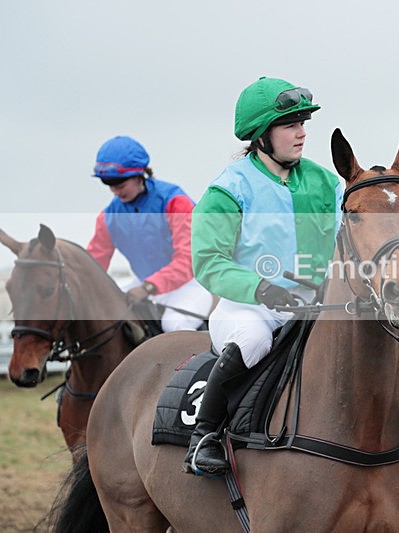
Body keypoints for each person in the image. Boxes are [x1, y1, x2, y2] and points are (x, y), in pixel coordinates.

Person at [183, 76, 343, 476]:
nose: (302, 133)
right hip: (249, 307)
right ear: (260, 136)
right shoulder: (227, 190)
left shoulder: (327, 183)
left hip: (314, 306)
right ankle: (203, 436)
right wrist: (262, 289)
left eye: (303, 123)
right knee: (253, 340)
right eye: (290, 125)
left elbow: (349, 239)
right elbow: (208, 262)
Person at [87, 135, 213, 332]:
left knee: (174, 325)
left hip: (190, 284)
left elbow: (187, 260)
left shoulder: (175, 202)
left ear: (140, 175)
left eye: (120, 184)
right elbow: (93, 265)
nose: (115, 192)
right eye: (109, 185)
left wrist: (148, 288)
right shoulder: (108, 216)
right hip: (144, 283)